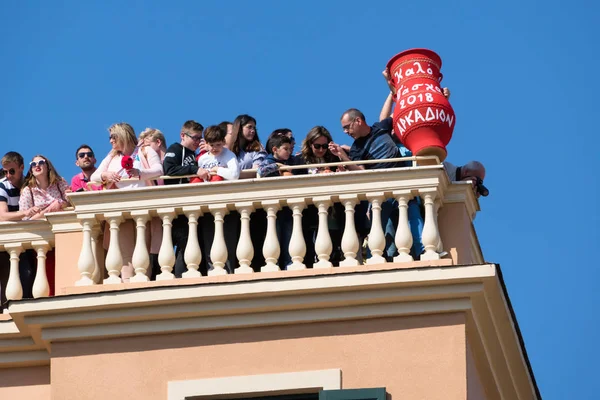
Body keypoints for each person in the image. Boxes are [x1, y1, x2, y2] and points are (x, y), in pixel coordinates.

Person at [329, 108, 408, 262]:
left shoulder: (380, 128)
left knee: (409, 223)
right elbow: (361, 172)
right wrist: (342, 156)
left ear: (358, 121)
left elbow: (399, 111)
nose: (345, 132)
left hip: (402, 188)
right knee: (384, 231)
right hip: (382, 195)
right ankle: (377, 262)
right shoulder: (357, 149)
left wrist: (392, 92)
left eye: (347, 127)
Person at [91, 123, 164, 282]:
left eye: (113, 137)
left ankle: (142, 284)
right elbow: (94, 178)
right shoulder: (112, 156)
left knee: (143, 249)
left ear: (123, 135)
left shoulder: (145, 150)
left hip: (143, 208)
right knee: (125, 254)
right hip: (121, 209)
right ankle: (127, 284)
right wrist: (106, 175)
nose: (110, 141)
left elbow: (159, 170)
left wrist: (140, 173)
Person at [163, 120, 208, 277]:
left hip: (192, 205)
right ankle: (178, 276)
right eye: (194, 137)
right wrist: (194, 169)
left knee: (190, 242)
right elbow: (169, 169)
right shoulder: (176, 149)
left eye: (199, 138)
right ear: (183, 135)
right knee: (181, 241)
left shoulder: (195, 155)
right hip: (177, 204)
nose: (197, 141)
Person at [196, 125, 241, 273]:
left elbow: (235, 175)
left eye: (218, 144)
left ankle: (228, 270)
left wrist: (218, 170)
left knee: (227, 239)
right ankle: (210, 269)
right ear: (206, 143)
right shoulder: (203, 159)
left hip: (225, 204)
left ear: (223, 142)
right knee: (209, 238)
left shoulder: (229, 155)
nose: (215, 148)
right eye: (212, 145)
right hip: (207, 204)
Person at [229, 114, 267, 270]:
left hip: (252, 198)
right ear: (239, 128)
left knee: (254, 237)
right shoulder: (228, 150)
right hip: (232, 200)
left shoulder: (257, 148)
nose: (252, 131)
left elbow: (259, 170)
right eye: (249, 127)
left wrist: (233, 174)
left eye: (254, 128)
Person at [0, 152, 39, 303]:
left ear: (22, 167)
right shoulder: (3, 186)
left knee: (29, 275)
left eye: (12, 171)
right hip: (9, 241)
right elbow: (2, 216)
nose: (8, 175)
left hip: (28, 237)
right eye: (5, 171)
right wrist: (25, 213)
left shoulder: (30, 184)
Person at [257, 134, 297, 269]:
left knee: (289, 237)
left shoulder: (291, 161)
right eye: (285, 149)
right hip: (274, 208)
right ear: (275, 149)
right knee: (276, 236)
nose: (289, 151)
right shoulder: (268, 161)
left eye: (289, 148)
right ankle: (278, 264)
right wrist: (277, 166)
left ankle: (288, 264)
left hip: (287, 208)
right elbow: (260, 171)